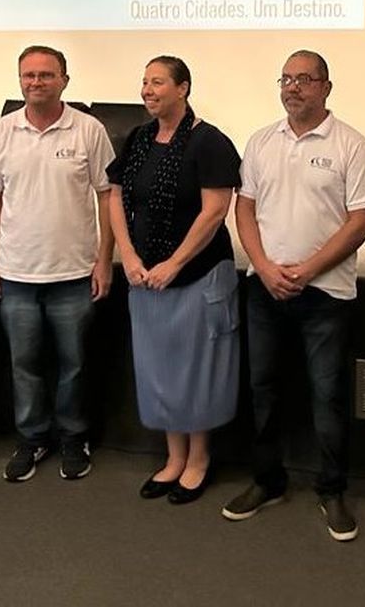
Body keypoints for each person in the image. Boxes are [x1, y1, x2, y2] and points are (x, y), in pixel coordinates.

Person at [220, 50, 365, 541]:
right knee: (263, 391)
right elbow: (244, 209)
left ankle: (331, 490)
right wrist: (264, 268)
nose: (293, 88)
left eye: (305, 80)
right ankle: (267, 481)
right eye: (286, 79)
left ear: (326, 87)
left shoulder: (351, 144)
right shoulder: (261, 141)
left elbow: (362, 220)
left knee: (328, 398)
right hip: (265, 289)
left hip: (326, 294)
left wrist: (308, 269)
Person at [0, 45, 115, 483]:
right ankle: (32, 437)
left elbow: (108, 195)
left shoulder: (88, 130)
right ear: (19, 81)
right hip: (16, 274)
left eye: (46, 75)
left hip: (74, 273)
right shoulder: (0, 132)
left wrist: (104, 260)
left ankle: (74, 437)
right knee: (26, 364)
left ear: (64, 81)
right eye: (28, 76)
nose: (36, 83)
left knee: (74, 364)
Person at [107, 55, 241, 505]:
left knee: (194, 373)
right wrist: (126, 253)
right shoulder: (140, 138)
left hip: (197, 275)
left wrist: (176, 262)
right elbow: (116, 194)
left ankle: (199, 459)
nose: (148, 90)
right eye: (144, 81)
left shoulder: (210, 142)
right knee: (159, 371)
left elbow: (215, 211)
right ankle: (173, 457)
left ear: (183, 88)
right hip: (145, 277)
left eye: (158, 82)